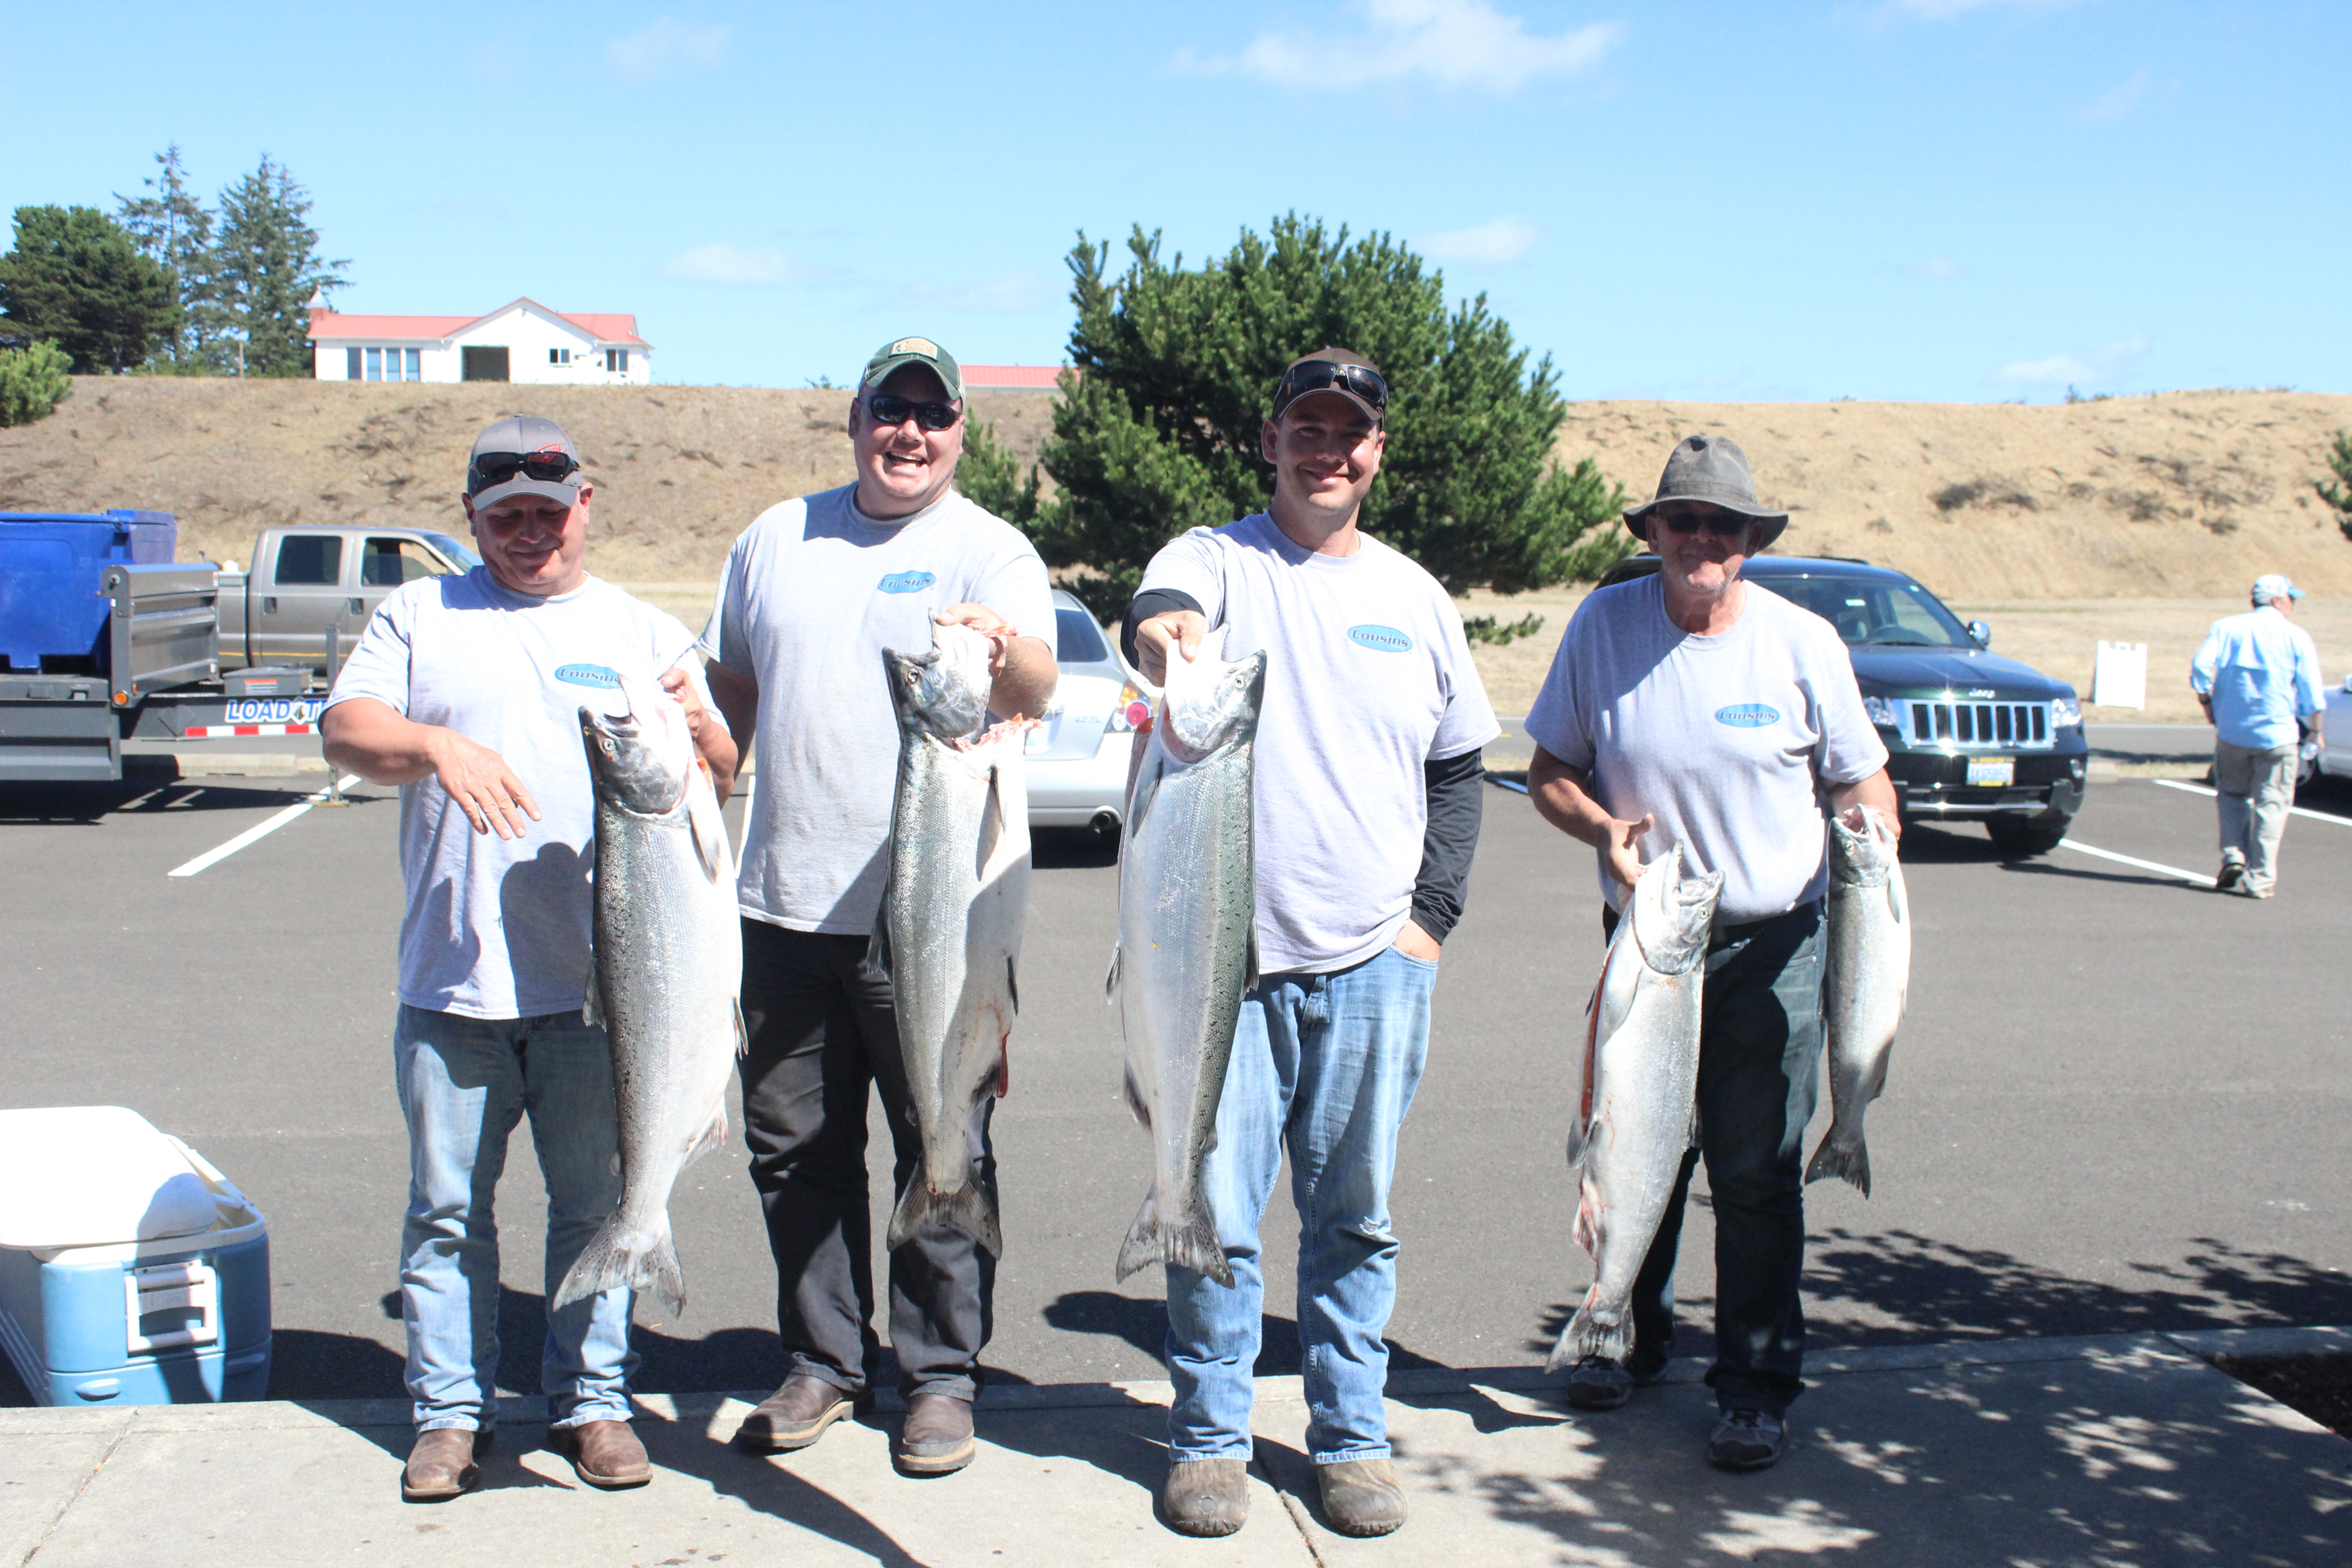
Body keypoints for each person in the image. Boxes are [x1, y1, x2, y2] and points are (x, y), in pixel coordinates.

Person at [323, 416, 735, 1501]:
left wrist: (703, 729)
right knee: (448, 1212)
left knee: (597, 1206)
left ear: (584, 506)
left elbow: (720, 772)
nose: (528, 535)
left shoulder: (640, 629)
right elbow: (347, 729)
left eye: (548, 515)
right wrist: (436, 745)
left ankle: (592, 1399)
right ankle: (450, 1415)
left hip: (606, 997)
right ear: (471, 516)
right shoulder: (422, 611)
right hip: (452, 983)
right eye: (504, 516)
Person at [1125, 349, 1497, 1539]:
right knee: (1215, 1214)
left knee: (1355, 1219)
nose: (1328, 450)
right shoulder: (1217, 559)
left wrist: (1429, 921)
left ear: (1378, 451)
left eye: (1351, 432)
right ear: (1272, 440)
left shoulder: (1415, 598)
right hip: (1224, 971)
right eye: (1307, 428)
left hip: (1373, 964)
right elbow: (1160, 614)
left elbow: (1460, 769)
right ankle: (1210, 1444)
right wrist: (1168, 637)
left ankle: (1348, 1438)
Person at [701, 336, 1056, 1477]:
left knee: (941, 1131)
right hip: (783, 909)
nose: (909, 432)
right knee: (794, 1150)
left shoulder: (988, 549)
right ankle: (821, 1358)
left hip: (934, 920)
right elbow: (734, 691)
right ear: (854, 418)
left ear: (960, 430)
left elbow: (1039, 684)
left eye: (932, 415)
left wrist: (1007, 660)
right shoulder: (774, 538)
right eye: (888, 410)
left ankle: (940, 1375)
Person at [1520, 434, 1894, 1472]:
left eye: (1722, 526)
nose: (1701, 540)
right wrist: (1600, 829)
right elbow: (1548, 766)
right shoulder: (1604, 624)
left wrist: (1879, 855)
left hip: (1774, 945)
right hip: (1645, 940)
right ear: (1653, 532)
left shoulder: (1801, 642)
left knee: (1758, 1171)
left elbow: (1862, 782)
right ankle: (1622, 1337)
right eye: (1682, 521)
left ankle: (1756, 1386)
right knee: (1633, 1143)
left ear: (1747, 542)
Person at [2191, 574, 2324, 898]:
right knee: (2272, 805)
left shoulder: (2227, 628)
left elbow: (2200, 666)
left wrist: (2208, 702)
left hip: (2233, 733)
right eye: (2291, 598)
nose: (2293, 604)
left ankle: (2234, 855)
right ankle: (2261, 878)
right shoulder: (2296, 636)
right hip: (2278, 735)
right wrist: (2316, 731)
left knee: (2232, 796)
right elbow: (2311, 692)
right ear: (2278, 600)